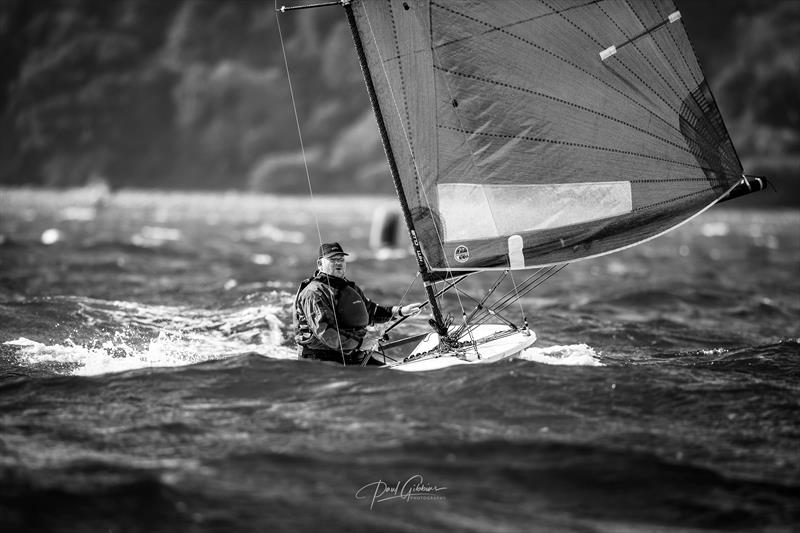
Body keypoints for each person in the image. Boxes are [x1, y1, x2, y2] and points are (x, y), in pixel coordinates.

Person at [294, 242, 422, 365]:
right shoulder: (313, 293)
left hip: (349, 354)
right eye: (333, 259)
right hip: (320, 359)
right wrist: (361, 343)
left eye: (341, 259)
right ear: (320, 264)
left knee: (389, 376)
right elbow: (327, 333)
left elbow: (371, 312)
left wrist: (401, 311)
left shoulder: (349, 288)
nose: (338, 262)